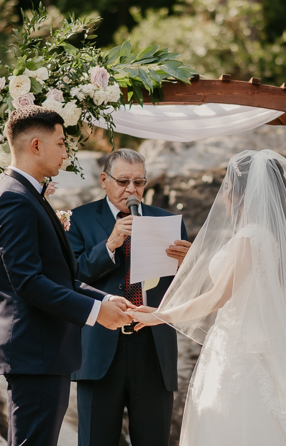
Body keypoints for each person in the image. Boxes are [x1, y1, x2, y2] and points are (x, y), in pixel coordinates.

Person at [129, 150, 286, 446]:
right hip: (249, 346)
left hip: (239, 353)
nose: (224, 194)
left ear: (242, 194)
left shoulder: (249, 237)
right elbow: (244, 283)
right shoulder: (265, 236)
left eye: (228, 188)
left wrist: (159, 315)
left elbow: (216, 298)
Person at [0, 106, 134, 446]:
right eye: (61, 143)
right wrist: (96, 313)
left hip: (44, 354)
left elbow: (57, 277)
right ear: (36, 145)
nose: (66, 153)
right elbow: (28, 282)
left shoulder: (25, 195)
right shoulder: (13, 199)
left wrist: (105, 299)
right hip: (35, 353)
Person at [68, 149, 191, 446]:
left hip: (153, 348)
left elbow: (186, 288)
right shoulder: (79, 218)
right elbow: (69, 277)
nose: (131, 190)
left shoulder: (167, 221)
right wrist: (110, 244)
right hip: (99, 346)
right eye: (123, 181)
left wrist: (187, 265)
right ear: (103, 180)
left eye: (139, 182)